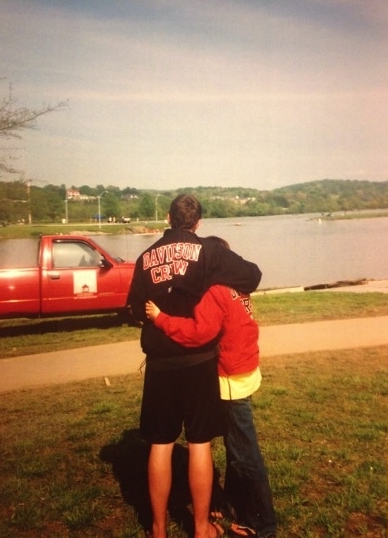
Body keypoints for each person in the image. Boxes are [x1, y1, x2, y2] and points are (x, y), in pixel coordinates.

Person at [126, 195, 261, 538]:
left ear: (168, 217)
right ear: (198, 223)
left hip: (160, 364)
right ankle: (202, 529)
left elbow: (133, 311)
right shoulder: (209, 252)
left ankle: (158, 530)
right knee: (200, 443)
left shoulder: (144, 259)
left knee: (161, 443)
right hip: (199, 363)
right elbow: (252, 275)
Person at [145, 236, 277, 538]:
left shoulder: (215, 292)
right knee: (235, 447)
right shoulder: (238, 287)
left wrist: (161, 318)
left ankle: (263, 524)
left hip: (230, 379)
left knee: (244, 454)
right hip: (244, 371)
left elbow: (197, 333)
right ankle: (235, 505)